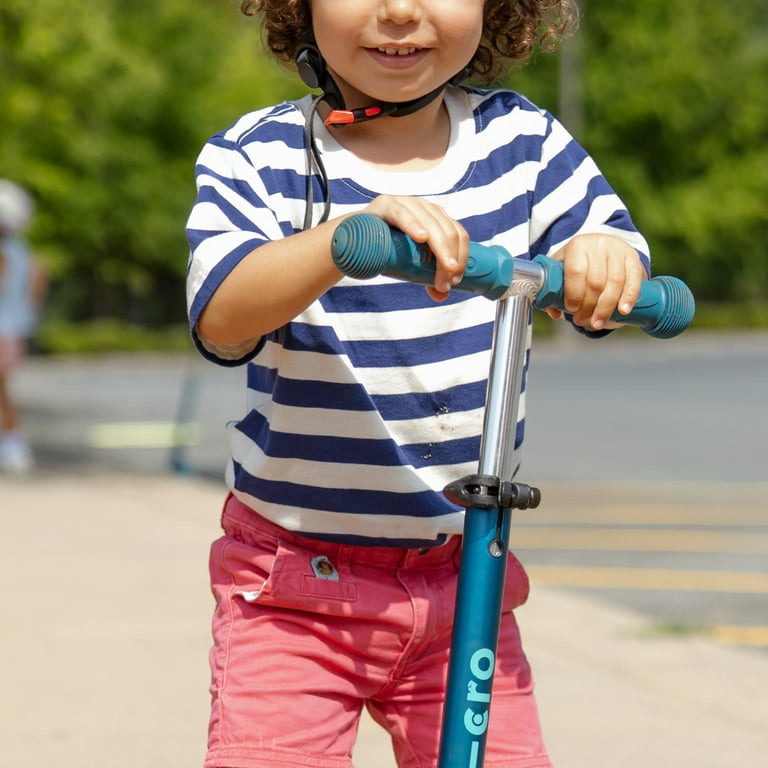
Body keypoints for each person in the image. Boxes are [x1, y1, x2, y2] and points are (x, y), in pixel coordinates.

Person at [185, 1, 650, 766]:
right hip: (297, 589)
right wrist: (339, 242)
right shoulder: (261, 155)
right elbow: (222, 315)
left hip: (465, 577)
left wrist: (602, 255)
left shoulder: (523, 142)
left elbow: (604, 251)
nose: (399, 10)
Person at [0, 179, 46, 474]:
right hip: (12, 331)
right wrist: (27, 313)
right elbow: (41, 276)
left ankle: (14, 447)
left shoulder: (5, 252)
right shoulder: (21, 248)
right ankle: (13, 446)